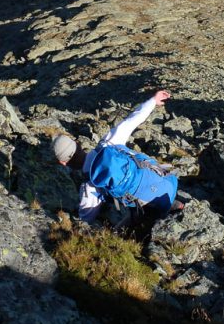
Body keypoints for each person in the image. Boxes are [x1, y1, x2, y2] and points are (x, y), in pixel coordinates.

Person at [52, 90, 182, 230]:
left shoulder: (90, 185)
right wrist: (153, 101)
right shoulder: (109, 143)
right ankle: (173, 203)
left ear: (63, 163)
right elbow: (132, 120)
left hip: (154, 208)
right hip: (168, 181)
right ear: (77, 144)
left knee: (119, 230)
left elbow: (87, 218)